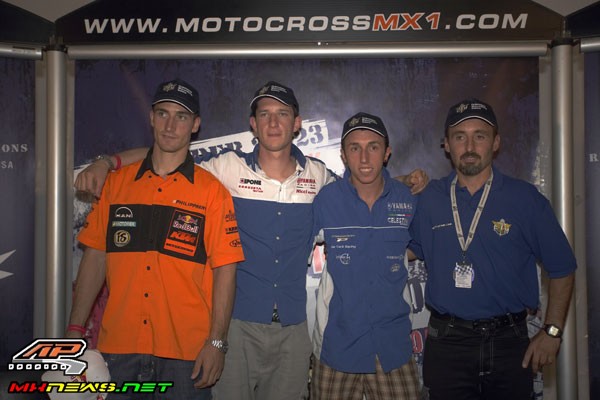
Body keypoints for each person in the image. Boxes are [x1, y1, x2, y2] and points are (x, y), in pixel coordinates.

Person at [74, 81, 428, 400]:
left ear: (297, 123)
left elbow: (361, 186)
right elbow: (167, 153)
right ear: (253, 124)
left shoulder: (318, 175)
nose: (273, 123)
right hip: (237, 327)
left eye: (282, 114)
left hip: (293, 328)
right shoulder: (225, 167)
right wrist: (109, 162)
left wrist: (400, 182)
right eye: (264, 114)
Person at [66, 78, 245, 400]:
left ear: (195, 125)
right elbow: (95, 258)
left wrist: (217, 342)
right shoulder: (116, 186)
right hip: (119, 348)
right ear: (151, 117)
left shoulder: (212, 192)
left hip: (186, 354)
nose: (170, 126)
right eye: (163, 114)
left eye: (181, 117)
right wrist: (75, 330)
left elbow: (225, 271)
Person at [408, 98, 577, 400]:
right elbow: (402, 248)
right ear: (446, 144)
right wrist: (397, 183)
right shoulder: (429, 199)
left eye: (480, 136)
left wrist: (552, 331)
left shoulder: (525, 199)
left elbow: (563, 267)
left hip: (509, 343)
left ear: (496, 143)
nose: (469, 146)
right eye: (459, 137)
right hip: (448, 344)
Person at [310, 112, 421, 400]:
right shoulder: (326, 200)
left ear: (387, 152)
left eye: (373, 147)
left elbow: (419, 248)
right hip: (337, 347)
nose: (364, 158)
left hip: (392, 348)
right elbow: (294, 248)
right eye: (354, 148)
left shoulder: (407, 199)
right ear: (343, 155)